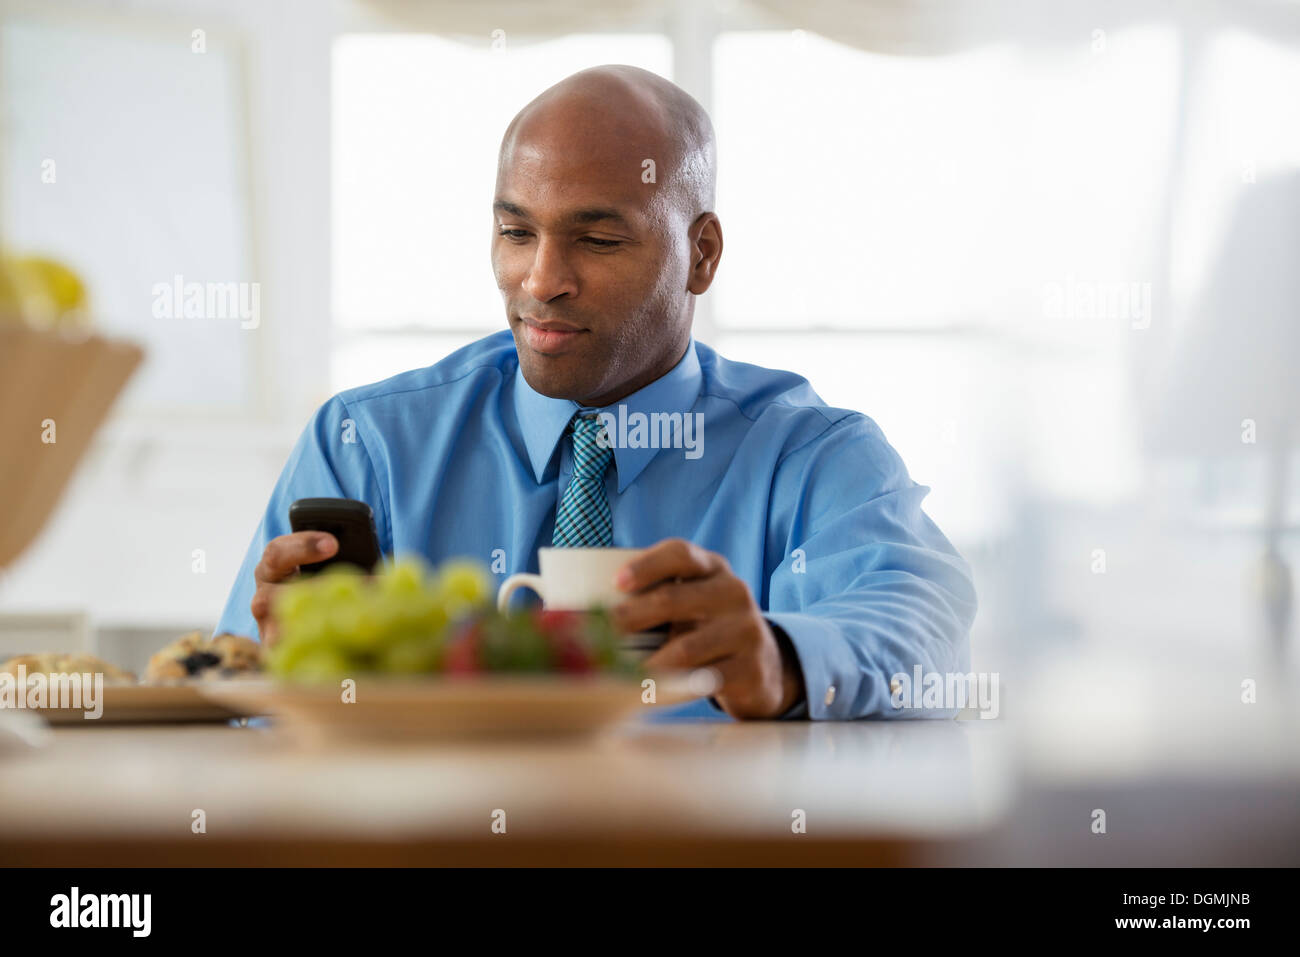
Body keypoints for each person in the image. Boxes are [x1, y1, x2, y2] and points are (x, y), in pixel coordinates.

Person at [215, 65, 977, 720]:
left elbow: (922, 627)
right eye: (517, 233)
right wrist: (290, 683)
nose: (542, 282)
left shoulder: (810, 456)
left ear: (701, 255)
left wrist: (780, 658)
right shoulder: (366, 444)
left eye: (599, 239)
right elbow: (232, 703)